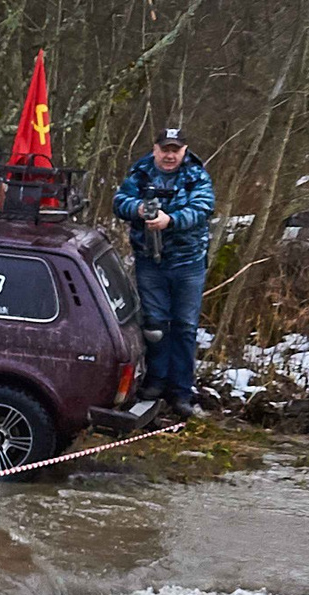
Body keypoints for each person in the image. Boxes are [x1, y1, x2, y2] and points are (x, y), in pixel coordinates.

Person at [114, 125, 216, 418]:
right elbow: (119, 202)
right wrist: (139, 210)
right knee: (155, 326)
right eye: (165, 149)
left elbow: (204, 207)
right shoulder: (141, 172)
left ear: (183, 151)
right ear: (156, 148)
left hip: (188, 263)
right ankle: (155, 381)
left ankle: (181, 391)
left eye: (176, 150)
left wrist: (169, 219)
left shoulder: (196, 174)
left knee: (184, 327)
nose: (170, 155)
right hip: (150, 261)